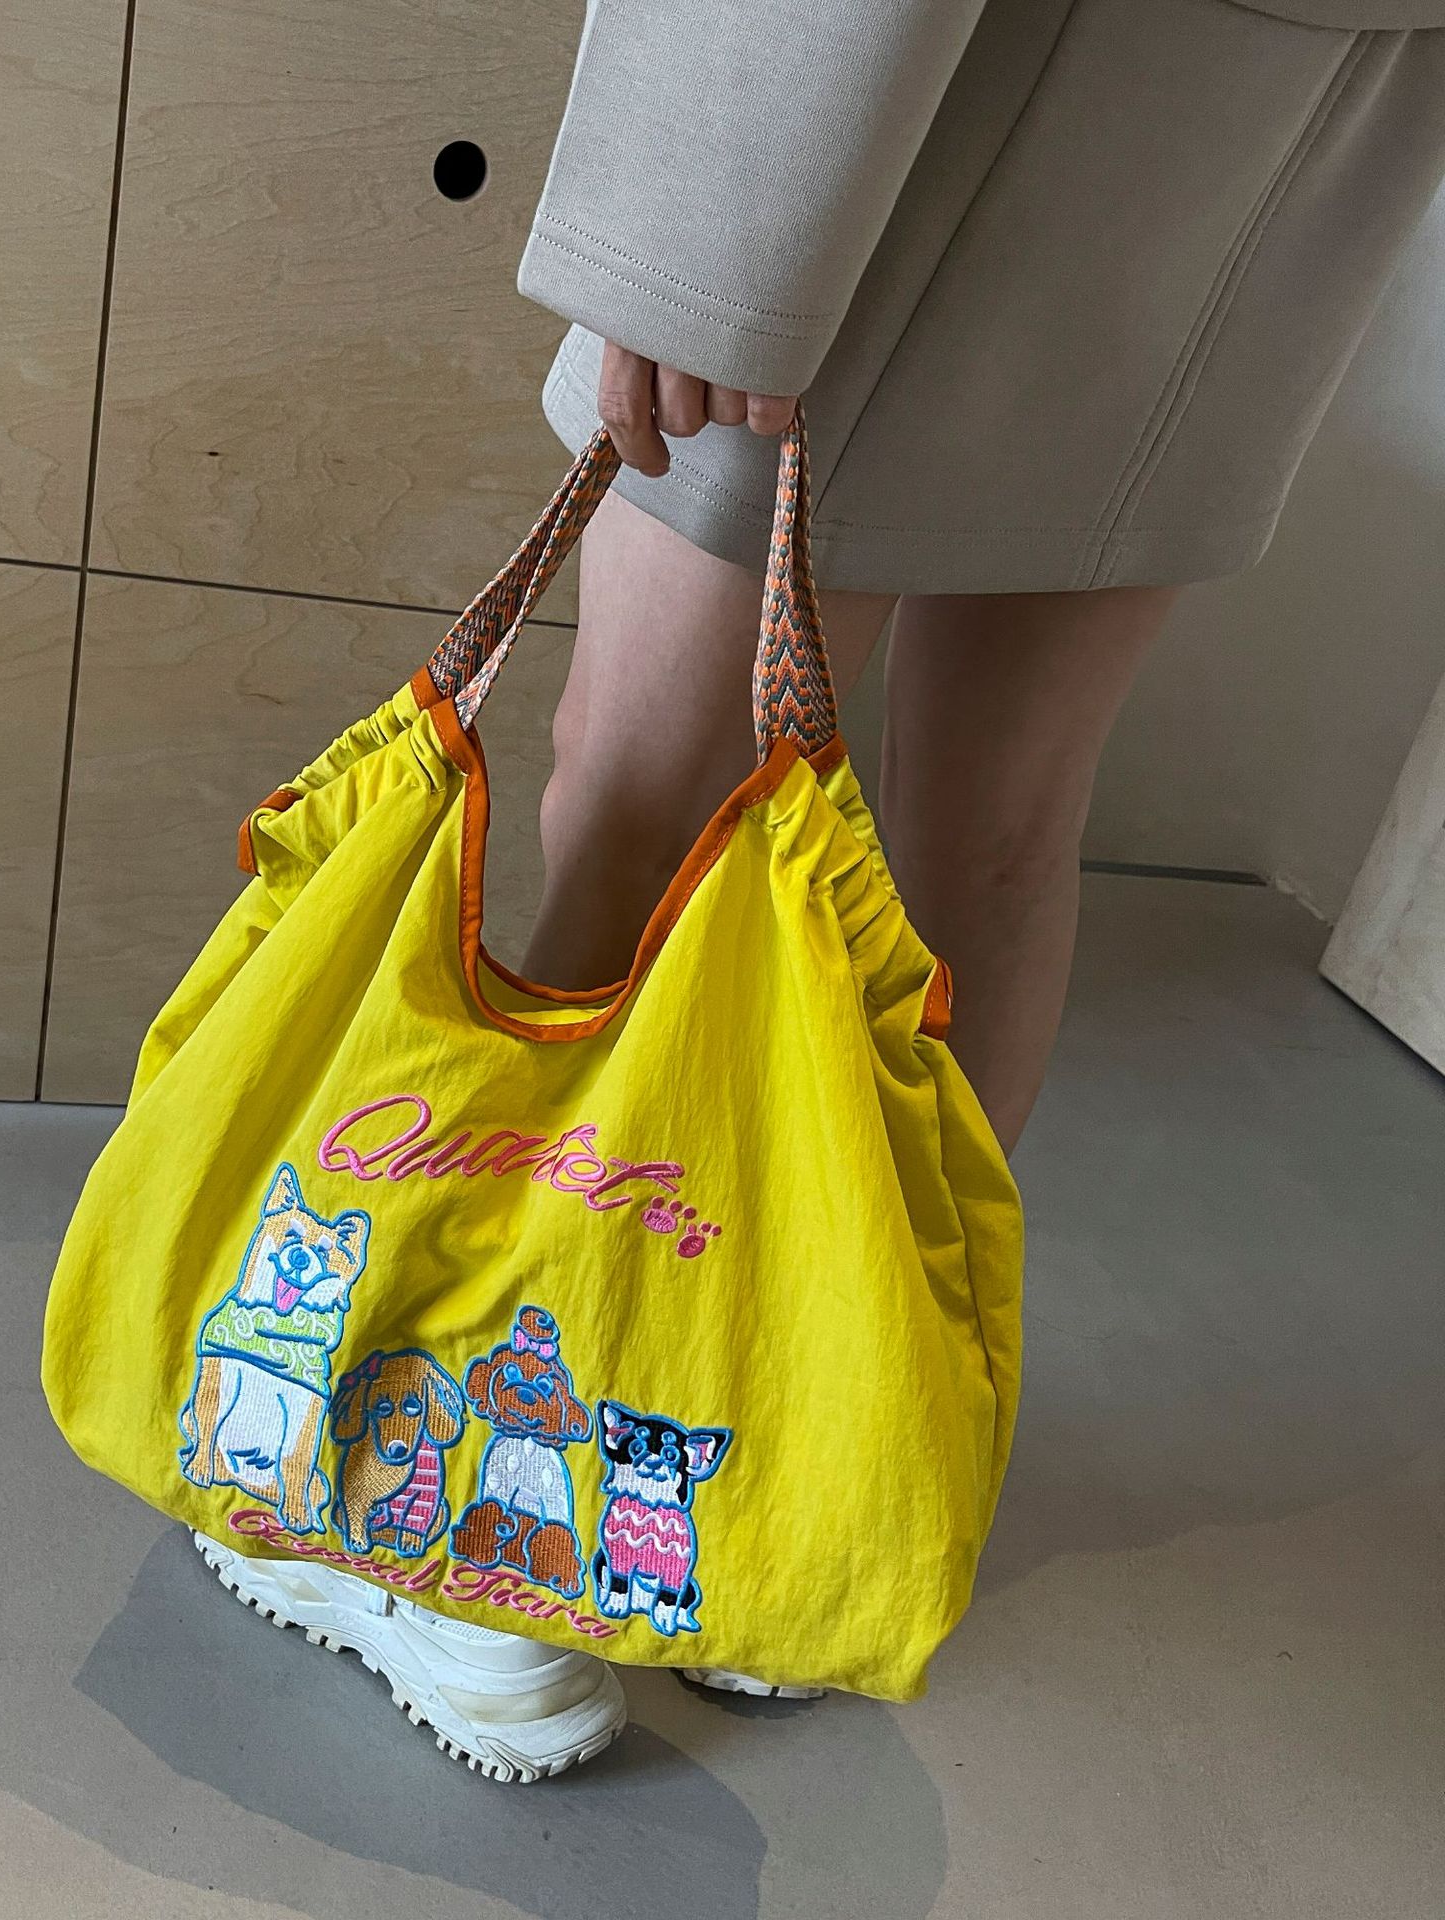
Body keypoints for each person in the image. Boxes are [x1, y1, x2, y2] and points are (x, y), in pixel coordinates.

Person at [197, 0, 1445, 1777]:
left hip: (897, 140)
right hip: (1286, 132)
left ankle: (482, 1570)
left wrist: (698, 239)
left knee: (643, 803)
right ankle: (828, 1474)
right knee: (992, 840)